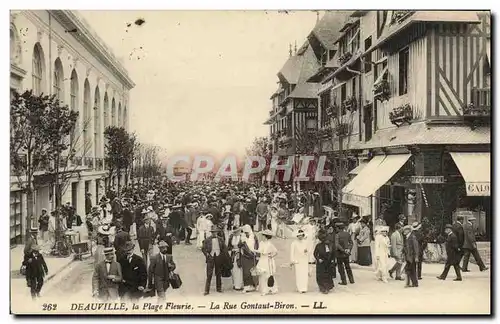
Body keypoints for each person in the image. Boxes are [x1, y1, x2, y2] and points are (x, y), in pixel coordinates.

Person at [202, 226, 227, 295]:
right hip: (210, 257)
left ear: (217, 232)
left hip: (218, 257)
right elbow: (203, 248)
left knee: (218, 273)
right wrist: (207, 254)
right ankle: (207, 290)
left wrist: (222, 256)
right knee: (209, 274)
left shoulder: (220, 239)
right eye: (212, 232)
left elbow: (224, 248)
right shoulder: (207, 240)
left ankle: (219, 288)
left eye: (215, 232)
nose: (214, 233)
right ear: (211, 233)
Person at [253, 229, 278, 296]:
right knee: (262, 274)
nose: (262, 236)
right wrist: (254, 250)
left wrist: (271, 256)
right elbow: (260, 251)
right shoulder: (261, 243)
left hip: (268, 260)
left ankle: (271, 289)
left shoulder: (270, 244)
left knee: (268, 274)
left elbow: (276, 252)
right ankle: (263, 289)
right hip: (262, 259)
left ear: (266, 236)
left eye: (263, 235)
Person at [239, 225, 259, 292]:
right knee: (245, 272)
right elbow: (240, 246)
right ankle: (246, 286)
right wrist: (242, 242)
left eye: (247, 232)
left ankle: (253, 285)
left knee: (253, 271)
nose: (246, 233)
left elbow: (257, 246)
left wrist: (257, 255)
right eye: (245, 232)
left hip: (253, 256)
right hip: (245, 256)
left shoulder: (254, 237)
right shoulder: (242, 237)